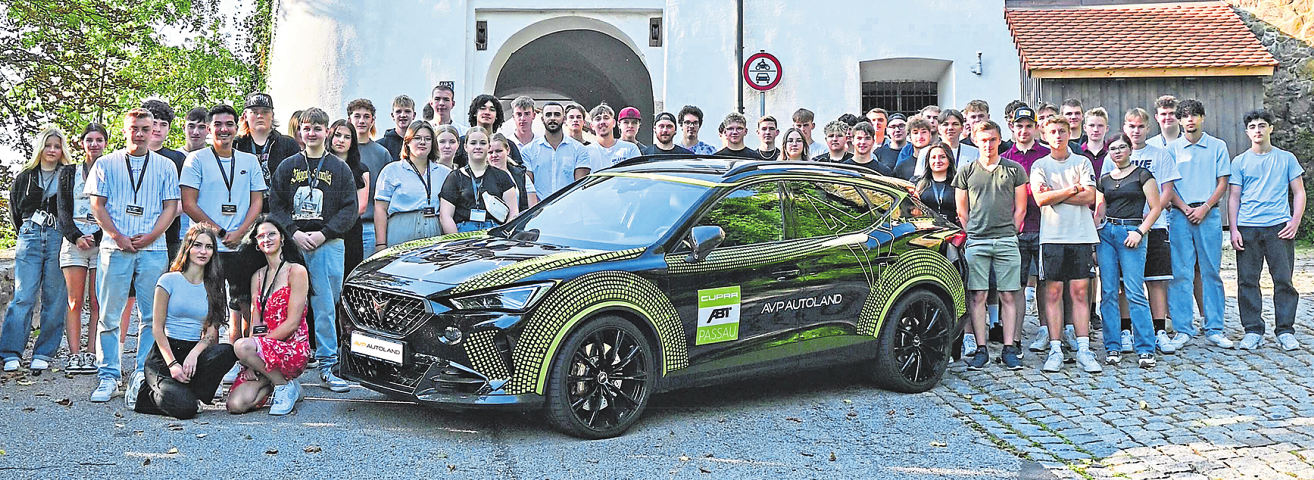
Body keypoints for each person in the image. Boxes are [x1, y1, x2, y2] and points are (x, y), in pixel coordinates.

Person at [86, 108, 182, 405]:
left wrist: (153, 235)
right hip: (116, 248)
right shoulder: (105, 163)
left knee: (151, 316)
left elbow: (171, 206)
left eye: (145, 128)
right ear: (124, 130)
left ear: (153, 130)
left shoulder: (166, 165)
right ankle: (109, 375)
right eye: (134, 128)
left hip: (152, 249)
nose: (139, 134)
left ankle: (143, 372)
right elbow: (97, 205)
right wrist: (117, 236)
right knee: (109, 314)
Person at [267, 107, 358, 393]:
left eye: (318, 129)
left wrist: (323, 233)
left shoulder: (340, 168)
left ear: (327, 131)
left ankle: (328, 364)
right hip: (293, 245)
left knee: (324, 307)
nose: (312, 133)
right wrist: (292, 233)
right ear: (300, 132)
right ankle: (281, 361)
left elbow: (349, 209)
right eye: (307, 129)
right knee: (285, 304)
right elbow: (276, 204)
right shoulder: (288, 166)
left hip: (327, 244)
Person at [180, 104, 269, 362]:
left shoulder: (249, 161)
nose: (224, 130)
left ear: (237, 126)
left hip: (242, 244)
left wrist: (241, 232)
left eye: (229, 124)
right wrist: (217, 232)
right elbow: (189, 203)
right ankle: (211, 359)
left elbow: (257, 203)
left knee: (247, 302)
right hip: (207, 245)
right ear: (209, 129)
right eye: (218, 125)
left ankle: (249, 359)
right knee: (211, 305)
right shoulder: (196, 160)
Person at [134, 224, 238, 418]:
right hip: (165, 355)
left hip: (193, 351)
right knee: (186, 410)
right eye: (197, 245)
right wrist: (173, 363)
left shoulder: (216, 285)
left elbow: (211, 332)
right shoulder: (168, 280)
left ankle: (184, 394)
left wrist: (194, 354)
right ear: (187, 247)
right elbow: (157, 328)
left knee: (227, 351)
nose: (203, 251)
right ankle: (147, 392)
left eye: (208, 247)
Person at [953, 121, 1027, 370]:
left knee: (1008, 294)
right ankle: (981, 348)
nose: (988, 144)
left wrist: (1011, 231)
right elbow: (962, 211)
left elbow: (1021, 208)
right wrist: (972, 232)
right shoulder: (966, 171)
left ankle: (1009, 348)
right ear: (975, 140)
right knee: (977, 295)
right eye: (983, 140)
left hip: (1006, 239)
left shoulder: (1014, 169)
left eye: (992, 139)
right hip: (977, 240)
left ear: (999, 140)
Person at [1030, 116, 1101, 374]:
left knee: (1081, 293)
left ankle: (1083, 348)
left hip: (1081, 236)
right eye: (1053, 131)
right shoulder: (1040, 164)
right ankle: (1056, 348)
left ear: (1070, 133)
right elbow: (1040, 198)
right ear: (1045, 135)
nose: (1058, 135)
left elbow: (1090, 196)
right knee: (1053, 293)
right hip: (1052, 238)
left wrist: (1057, 195)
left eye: (1062, 131)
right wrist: (1073, 190)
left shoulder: (1082, 161)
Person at [1229, 110, 1305, 351]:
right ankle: (1253, 330)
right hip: (1248, 227)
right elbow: (1233, 198)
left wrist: (1294, 221)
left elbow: (1299, 192)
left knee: (1283, 280)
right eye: (1252, 126)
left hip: (1278, 227)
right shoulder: (1240, 161)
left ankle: (1285, 330)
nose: (1258, 130)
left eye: (1262, 125)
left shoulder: (1286, 159)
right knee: (1247, 281)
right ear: (1247, 132)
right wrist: (1233, 229)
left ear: (1271, 128)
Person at [1, 126, 73, 375]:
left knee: (55, 297)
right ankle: (11, 352)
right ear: (40, 148)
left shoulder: (69, 175)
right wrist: (27, 230)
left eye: (57, 146)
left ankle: (44, 352)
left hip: (58, 236)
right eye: (48, 145)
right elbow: (15, 211)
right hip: (30, 235)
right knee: (23, 295)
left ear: (62, 149)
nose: (52, 150)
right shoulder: (26, 176)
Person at [1164, 99, 1232, 351]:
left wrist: (1204, 208)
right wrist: (1184, 208)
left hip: (1209, 214)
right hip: (1181, 215)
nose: (1190, 120)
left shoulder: (1217, 146)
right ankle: (1183, 329)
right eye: (1185, 116)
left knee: (1211, 272)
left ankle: (1214, 327)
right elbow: (1168, 186)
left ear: (1202, 117)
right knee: (1180, 273)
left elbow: (1222, 183)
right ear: (1179, 121)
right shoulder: (1172, 149)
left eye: (1194, 115)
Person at [1112, 108, 1181, 354]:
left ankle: (1159, 330)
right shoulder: (1116, 155)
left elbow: (1167, 190)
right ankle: (1126, 330)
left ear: (1148, 128)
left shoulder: (1160, 155)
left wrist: (1150, 215)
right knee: (1125, 283)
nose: (1136, 131)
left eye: (1141, 126)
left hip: (1156, 225)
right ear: (1125, 128)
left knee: (1156, 280)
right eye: (1131, 126)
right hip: (1123, 228)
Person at [227, 219, 310, 415]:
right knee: (236, 405)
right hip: (263, 348)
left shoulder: (296, 271)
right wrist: (251, 360)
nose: (267, 239)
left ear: (282, 239)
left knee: (241, 345)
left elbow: (292, 323)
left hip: (292, 346)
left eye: (272, 234)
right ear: (256, 243)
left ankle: (283, 386)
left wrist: (257, 349)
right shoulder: (257, 276)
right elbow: (256, 322)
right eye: (261, 236)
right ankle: (280, 381)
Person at [1094, 134, 1163, 368]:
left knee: (1134, 291)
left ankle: (1146, 347)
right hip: (1107, 235)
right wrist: (1093, 238)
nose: (1117, 152)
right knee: (1109, 292)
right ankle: (1112, 346)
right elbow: (1099, 210)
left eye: (1122, 147)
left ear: (1130, 150)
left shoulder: (1142, 175)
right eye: (1112, 148)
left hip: (1131, 232)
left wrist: (1140, 232)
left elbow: (1156, 207)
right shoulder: (1104, 179)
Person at [57, 123, 108, 375]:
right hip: (74, 242)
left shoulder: (111, 170)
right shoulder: (68, 173)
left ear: (106, 143)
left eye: (99, 140)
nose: (94, 144)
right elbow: (63, 210)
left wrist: (97, 236)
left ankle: (92, 352)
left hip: (101, 241)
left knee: (97, 300)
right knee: (75, 300)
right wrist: (76, 236)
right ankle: (74, 354)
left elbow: (114, 208)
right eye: (90, 139)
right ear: (82, 143)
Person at [374, 121, 451, 247]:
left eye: (427, 139)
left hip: (435, 231)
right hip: (401, 231)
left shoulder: (445, 173)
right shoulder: (391, 171)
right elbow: (380, 209)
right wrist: (380, 243)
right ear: (407, 142)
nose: (422, 142)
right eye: (417, 138)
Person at [440, 127, 519, 233]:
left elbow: (513, 214)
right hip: (464, 235)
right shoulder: (454, 178)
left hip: (494, 234)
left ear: (489, 146)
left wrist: (504, 236)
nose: (478, 147)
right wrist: (457, 242)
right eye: (473, 143)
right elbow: (446, 216)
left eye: (482, 143)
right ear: (465, 147)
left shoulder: (502, 177)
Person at [141, 99, 188, 261]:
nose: (158, 129)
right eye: (154, 123)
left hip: (168, 237)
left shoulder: (178, 159)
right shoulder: (125, 157)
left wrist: (157, 221)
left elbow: (185, 201)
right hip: (131, 235)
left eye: (163, 124)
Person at [347, 99, 395, 257]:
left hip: (370, 226)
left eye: (366, 116)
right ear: (349, 119)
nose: (361, 121)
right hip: (343, 226)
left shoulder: (382, 153)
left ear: (372, 120)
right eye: (357, 116)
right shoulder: (339, 152)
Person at [234, 92, 300, 203]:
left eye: (265, 112)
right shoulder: (236, 145)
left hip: (279, 212)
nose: (260, 116)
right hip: (244, 210)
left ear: (272, 115)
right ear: (245, 116)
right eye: (254, 112)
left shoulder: (288, 144)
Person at [521, 102, 591, 197]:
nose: (553, 118)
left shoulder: (579, 150)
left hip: (570, 207)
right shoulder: (528, 151)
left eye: (557, 114)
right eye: (548, 115)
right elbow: (528, 189)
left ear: (564, 119)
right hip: (540, 209)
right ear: (542, 119)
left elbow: (580, 187)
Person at [327, 119, 369, 275]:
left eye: (347, 137)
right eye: (337, 135)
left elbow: (361, 206)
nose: (341, 140)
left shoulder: (361, 169)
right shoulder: (320, 165)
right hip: (324, 231)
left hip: (351, 231)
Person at [914, 110, 977, 178]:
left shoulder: (974, 152)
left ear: (961, 128)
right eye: (945, 124)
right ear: (939, 128)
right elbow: (919, 179)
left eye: (955, 124)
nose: (950, 128)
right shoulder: (925, 152)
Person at [489, 133, 537, 211]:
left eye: (499, 151)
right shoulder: (480, 176)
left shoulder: (522, 176)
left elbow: (533, 209)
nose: (494, 155)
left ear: (508, 150)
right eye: (490, 152)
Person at [587, 103, 641, 170]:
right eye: (598, 119)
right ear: (592, 126)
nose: (602, 122)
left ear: (614, 123)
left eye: (606, 118)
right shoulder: (586, 152)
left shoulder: (630, 149)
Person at [913, 143, 958, 222]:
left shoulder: (958, 184)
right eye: (933, 157)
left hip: (952, 229)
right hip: (925, 230)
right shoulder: (917, 183)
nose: (937, 161)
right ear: (928, 161)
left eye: (942, 157)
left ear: (949, 160)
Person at [377, 95, 415, 161]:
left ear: (414, 115)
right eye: (398, 111)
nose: (403, 115)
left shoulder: (419, 143)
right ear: (392, 116)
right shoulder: (381, 146)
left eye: (407, 111)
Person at [1080, 108, 1112, 175]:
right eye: (1091, 125)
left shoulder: (1112, 153)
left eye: (1100, 126)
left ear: (1107, 128)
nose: (1096, 129)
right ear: (1085, 128)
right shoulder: (1078, 152)